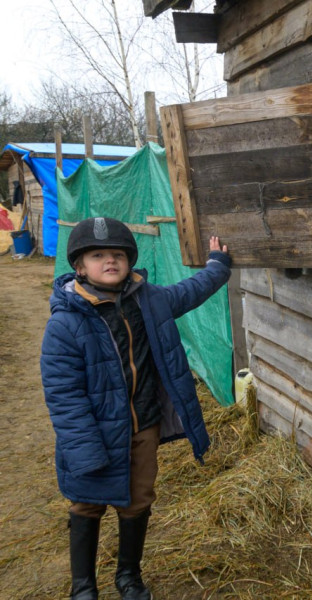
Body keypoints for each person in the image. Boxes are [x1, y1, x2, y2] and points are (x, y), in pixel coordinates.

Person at [40, 217, 231, 600]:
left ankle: (128, 577)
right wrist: (84, 449)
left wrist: (217, 266)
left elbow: (190, 292)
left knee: (138, 500)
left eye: (117, 254)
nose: (110, 261)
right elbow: (63, 395)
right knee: (87, 504)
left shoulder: (149, 301)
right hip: (93, 434)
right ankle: (83, 587)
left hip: (143, 426)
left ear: (129, 261)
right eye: (98, 255)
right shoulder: (65, 323)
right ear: (79, 267)